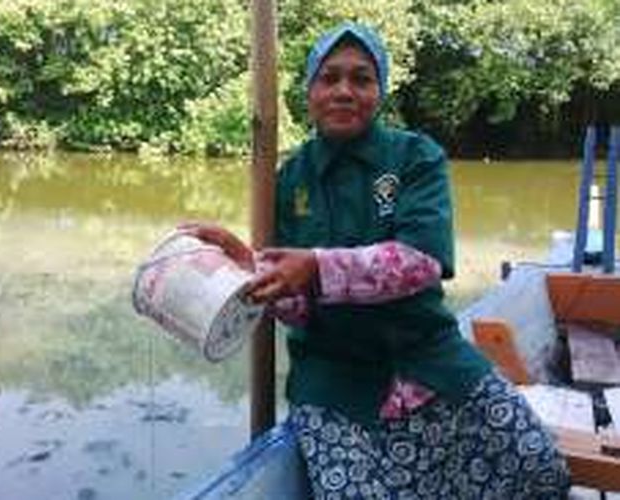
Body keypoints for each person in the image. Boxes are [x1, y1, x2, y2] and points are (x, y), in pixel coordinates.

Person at [181, 21, 569, 499]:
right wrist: (247, 268)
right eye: (330, 78)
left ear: (380, 91)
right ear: (310, 93)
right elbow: (296, 305)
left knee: (540, 466)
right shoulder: (288, 180)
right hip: (334, 383)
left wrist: (318, 266)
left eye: (361, 79)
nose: (344, 91)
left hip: (431, 360)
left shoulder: (414, 156)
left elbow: (422, 259)